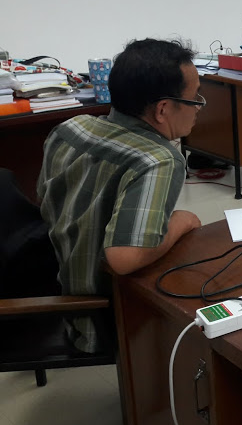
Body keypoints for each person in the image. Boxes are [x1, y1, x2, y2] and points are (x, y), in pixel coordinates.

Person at [37, 38, 203, 352]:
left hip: (56, 283)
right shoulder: (158, 159)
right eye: (194, 98)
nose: (198, 108)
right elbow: (124, 258)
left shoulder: (70, 128)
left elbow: (46, 201)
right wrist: (182, 221)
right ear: (163, 109)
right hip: (98, 319)